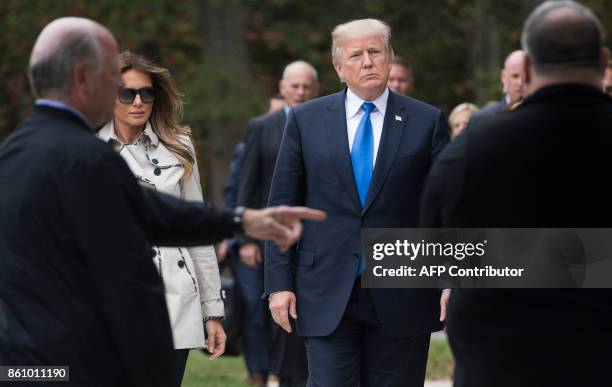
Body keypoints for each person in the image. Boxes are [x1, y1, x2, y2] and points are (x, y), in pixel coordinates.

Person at [0, 17, 325, 387]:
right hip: (75, 347)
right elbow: (147, 216)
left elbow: (153, 211)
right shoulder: (85, 155)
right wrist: (241, 221)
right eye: (113, 79)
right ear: (82, 78)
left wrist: (241, 222)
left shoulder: (13, 154)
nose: (122, 93)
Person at [420, 2, 612, 386]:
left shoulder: (474, 146)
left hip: (503, 361)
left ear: (523, 68)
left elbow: (433, 245)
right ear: (604, 60)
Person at [265, 18, 449, 387]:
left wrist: (450, 279)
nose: (367, 61)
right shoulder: (306, 120)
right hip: (324, 288)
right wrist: (279, 283)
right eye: (356, 55)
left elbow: (444, 208)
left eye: (375, 52)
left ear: (389, 58)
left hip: (403, 291)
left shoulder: (426, 121)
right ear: (338, 67)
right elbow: (283, 207)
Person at [97, 51, 224, 386]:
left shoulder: (178, 145)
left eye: (147, 93)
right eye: (127, 94)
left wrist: (212, 311)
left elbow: (197, 229)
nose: (138, 102)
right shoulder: (87, 148)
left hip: (174, 299)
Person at [237, 60, 319, 387]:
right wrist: (244, 240)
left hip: (309, 236)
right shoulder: (262, 127)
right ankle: (266, 373)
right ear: (282, 87)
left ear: (315, 89)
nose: (300, 92)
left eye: (306, 87)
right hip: (265, 238)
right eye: (294, 86)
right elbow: (247, 183)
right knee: (267, 314)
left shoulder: (322, 124)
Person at [476, 50, 526, 115]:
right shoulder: (488, 116)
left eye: (525, 77)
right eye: (515, 76)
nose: (520, 82)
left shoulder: (541, 114)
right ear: (503, 77)